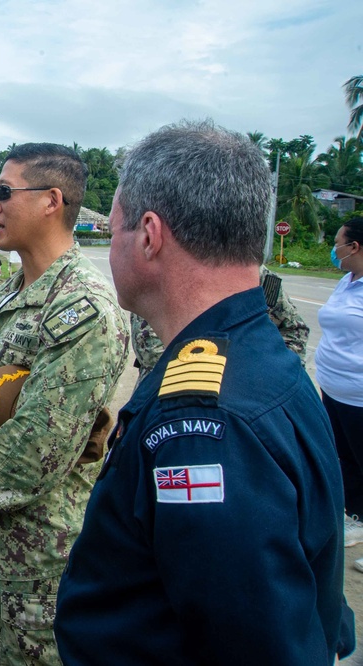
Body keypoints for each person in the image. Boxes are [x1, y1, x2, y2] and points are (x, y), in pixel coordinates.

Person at [54, 120, 354, 664]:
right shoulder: (259, 355)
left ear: (149, 234)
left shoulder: (202, 421)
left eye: (115, 228)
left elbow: (252, 643)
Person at [0, 143, 129, 664]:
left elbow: (34, 451)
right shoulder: (9, 295)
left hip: (34, 566)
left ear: (50, 201)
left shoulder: (84, 311)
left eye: (4, 192)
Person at [130, 264, 310, 383]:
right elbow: (152, 353)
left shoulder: (254, 273)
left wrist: (269, 375)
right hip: (167, 395)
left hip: (247, 401)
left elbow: (293, 330)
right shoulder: (166, 270)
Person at [316, 219, 363, 563]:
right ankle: (357, 516)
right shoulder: (346, 282)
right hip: (334, 391)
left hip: (359, 396)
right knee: (345, 459)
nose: (334, 250)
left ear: (355, 247)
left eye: (337, 244)